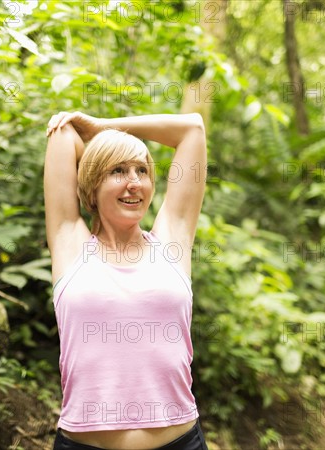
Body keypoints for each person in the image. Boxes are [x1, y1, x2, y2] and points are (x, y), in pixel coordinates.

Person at [44, 111, 208, 450]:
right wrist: (95, 137)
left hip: (179, 442)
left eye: (142, 171)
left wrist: (103, 125)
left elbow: (192, 129)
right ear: (92, 183)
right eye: (118, 171)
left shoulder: (172, 242)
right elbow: (62, 135)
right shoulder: (70, 243)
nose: (134, 182)